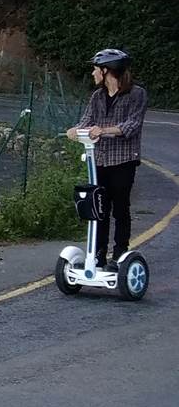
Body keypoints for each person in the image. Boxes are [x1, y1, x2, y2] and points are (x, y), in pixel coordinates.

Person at [66, 48, 147, 268]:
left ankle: (119, 255)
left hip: (123, 161)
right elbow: (86, 120)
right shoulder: (97, 96)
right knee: (99, 209)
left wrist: (103, 130)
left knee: (120, 209)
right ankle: (98, 255)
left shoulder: (136, 94)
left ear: (106, 70)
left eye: (95, 69)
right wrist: (75, 130)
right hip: (99, 161)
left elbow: (132, 125)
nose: (93, 73)